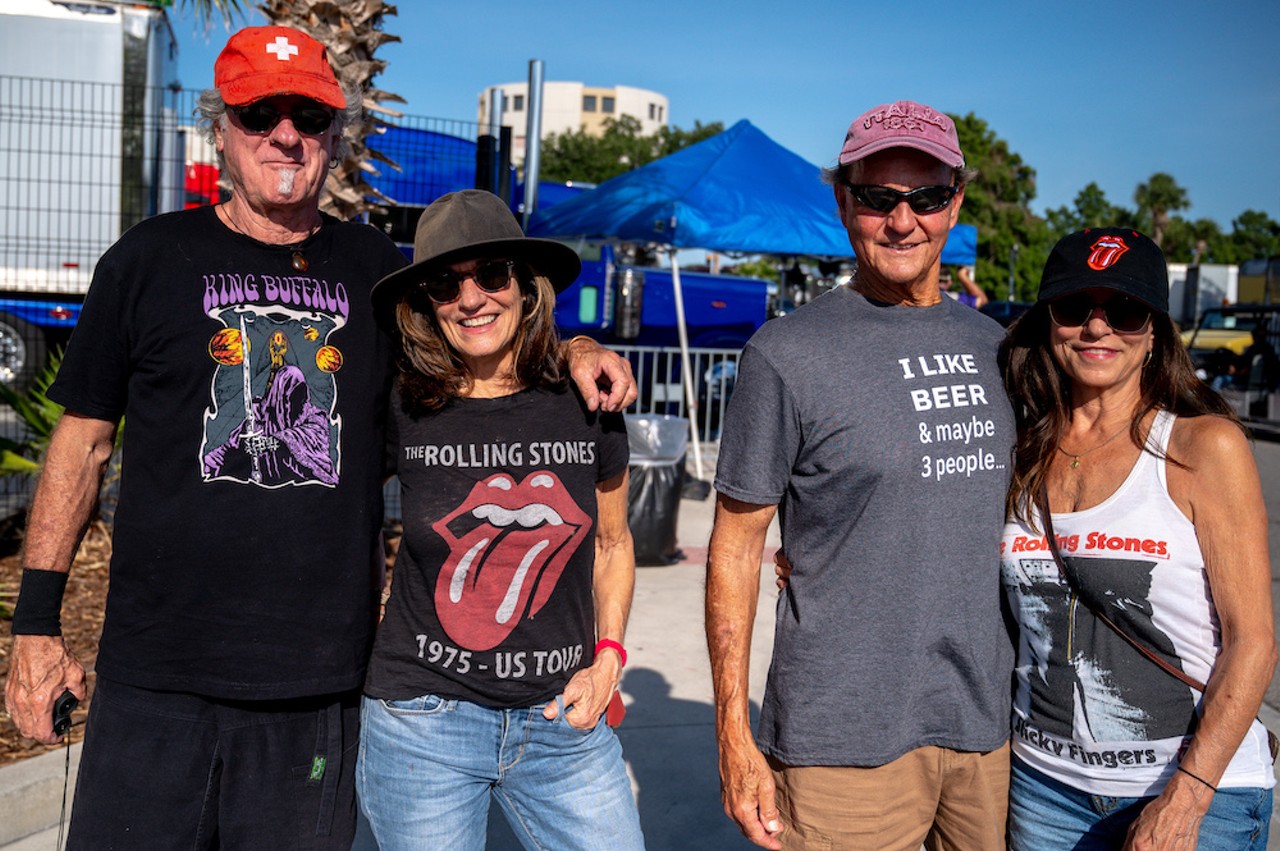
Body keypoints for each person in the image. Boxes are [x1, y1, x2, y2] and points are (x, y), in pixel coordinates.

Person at [2, 27, 633, 848]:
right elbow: (79, 448)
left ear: (335, 133)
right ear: (221, 126)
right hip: (156, 678)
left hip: (316, 689)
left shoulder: (377, 276)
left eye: (308, 114)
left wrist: (577, 348)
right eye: (260, 113)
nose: (286, 134)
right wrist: (37, 626)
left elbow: (483, 349)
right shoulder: (147, 261)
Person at [705, 99, 1016, 850]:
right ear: (844, 201)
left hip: (989, 732)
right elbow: (736, 549)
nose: (902, 220)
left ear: (956, 202)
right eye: (878, 198)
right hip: (839, 741)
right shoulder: (785, 354)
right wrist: (734, 734)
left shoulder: (1002, 348)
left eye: (927, 197)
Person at [357, 189, 644, 850]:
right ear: (425, 301)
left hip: (561, 719)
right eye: (444, 283)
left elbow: (613, 542)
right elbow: (333, 511)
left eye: (491, 274)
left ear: (524, 284)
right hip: (421, 721)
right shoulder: (404, 402)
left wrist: (608, 661)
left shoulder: (587, 400)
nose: (471, 298)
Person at [999, 227, 1277, 849]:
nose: (1098, 329)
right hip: (1044, 790)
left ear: (1153, 331)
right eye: (1076, 309)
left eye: (1123, 311)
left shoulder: (1202, 449)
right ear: (1049, 322)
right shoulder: (1017, 452)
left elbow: (1254, 643)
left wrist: (1187, 797)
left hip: (1193, 793)